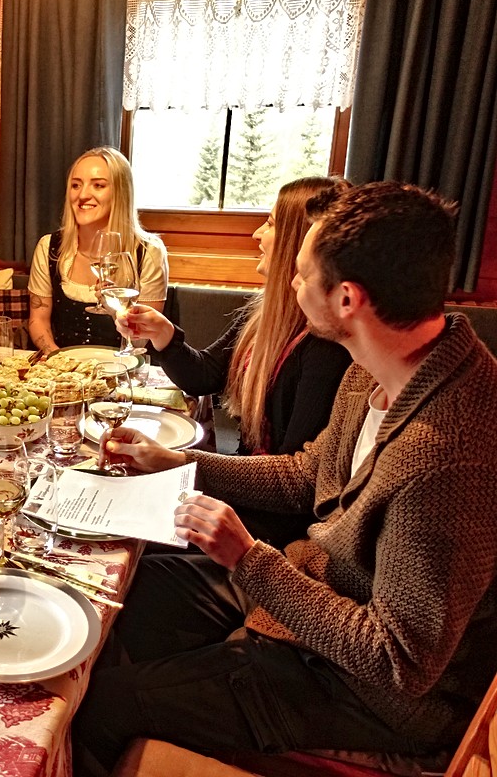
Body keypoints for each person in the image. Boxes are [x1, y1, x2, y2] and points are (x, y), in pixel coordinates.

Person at [73, 181, 497, 773]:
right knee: (117, 601)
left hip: (368, 692)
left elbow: (398, 661)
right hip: (311, 579)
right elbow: (308, 475)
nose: (291, 285)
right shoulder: (375, 367)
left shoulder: (446, 459)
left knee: (102, 706)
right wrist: (179, 463)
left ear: (347, 297)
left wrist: (248, 559)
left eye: (301, 274)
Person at [117, 177, 353, 546]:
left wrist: (182, 465)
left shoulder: (325, 349)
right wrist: (163, 334)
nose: (257, 234)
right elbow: (204, 376)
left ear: (302, 239)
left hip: (268, 531)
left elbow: (295, 484)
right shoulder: (264, 314)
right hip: (239, 500)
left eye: (272, 223)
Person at [27, 146, 169, 352]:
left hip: (124, 368)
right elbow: (38, 320)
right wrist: (59, 362)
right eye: (76, 185)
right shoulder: (48, 247)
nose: (83, 195)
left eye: (98, 185)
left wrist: (114, 308)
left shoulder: (149, 252)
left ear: (121, 193)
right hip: (61, 372)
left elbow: (141, 341)